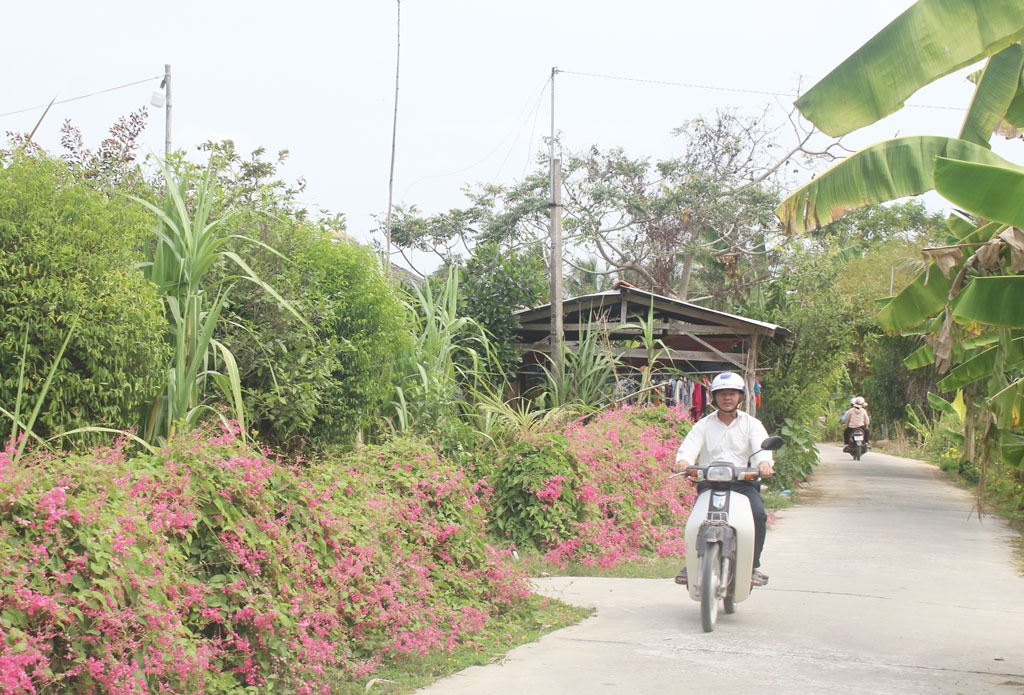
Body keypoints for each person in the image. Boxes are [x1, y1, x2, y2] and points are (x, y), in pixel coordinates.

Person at [671, 371, 774, 587]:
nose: (727, 398)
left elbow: (761, 446)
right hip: (710, 481)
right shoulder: (703, 425)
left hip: (743, 482)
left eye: (732, 394)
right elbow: (689, 448)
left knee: (758, 515)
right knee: (696, 520)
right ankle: (692, 564)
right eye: (722, 394)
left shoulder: (751, 424)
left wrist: (764, 464)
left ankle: (752, 565)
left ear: (741, 397)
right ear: (714, 397)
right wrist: (683, 460)